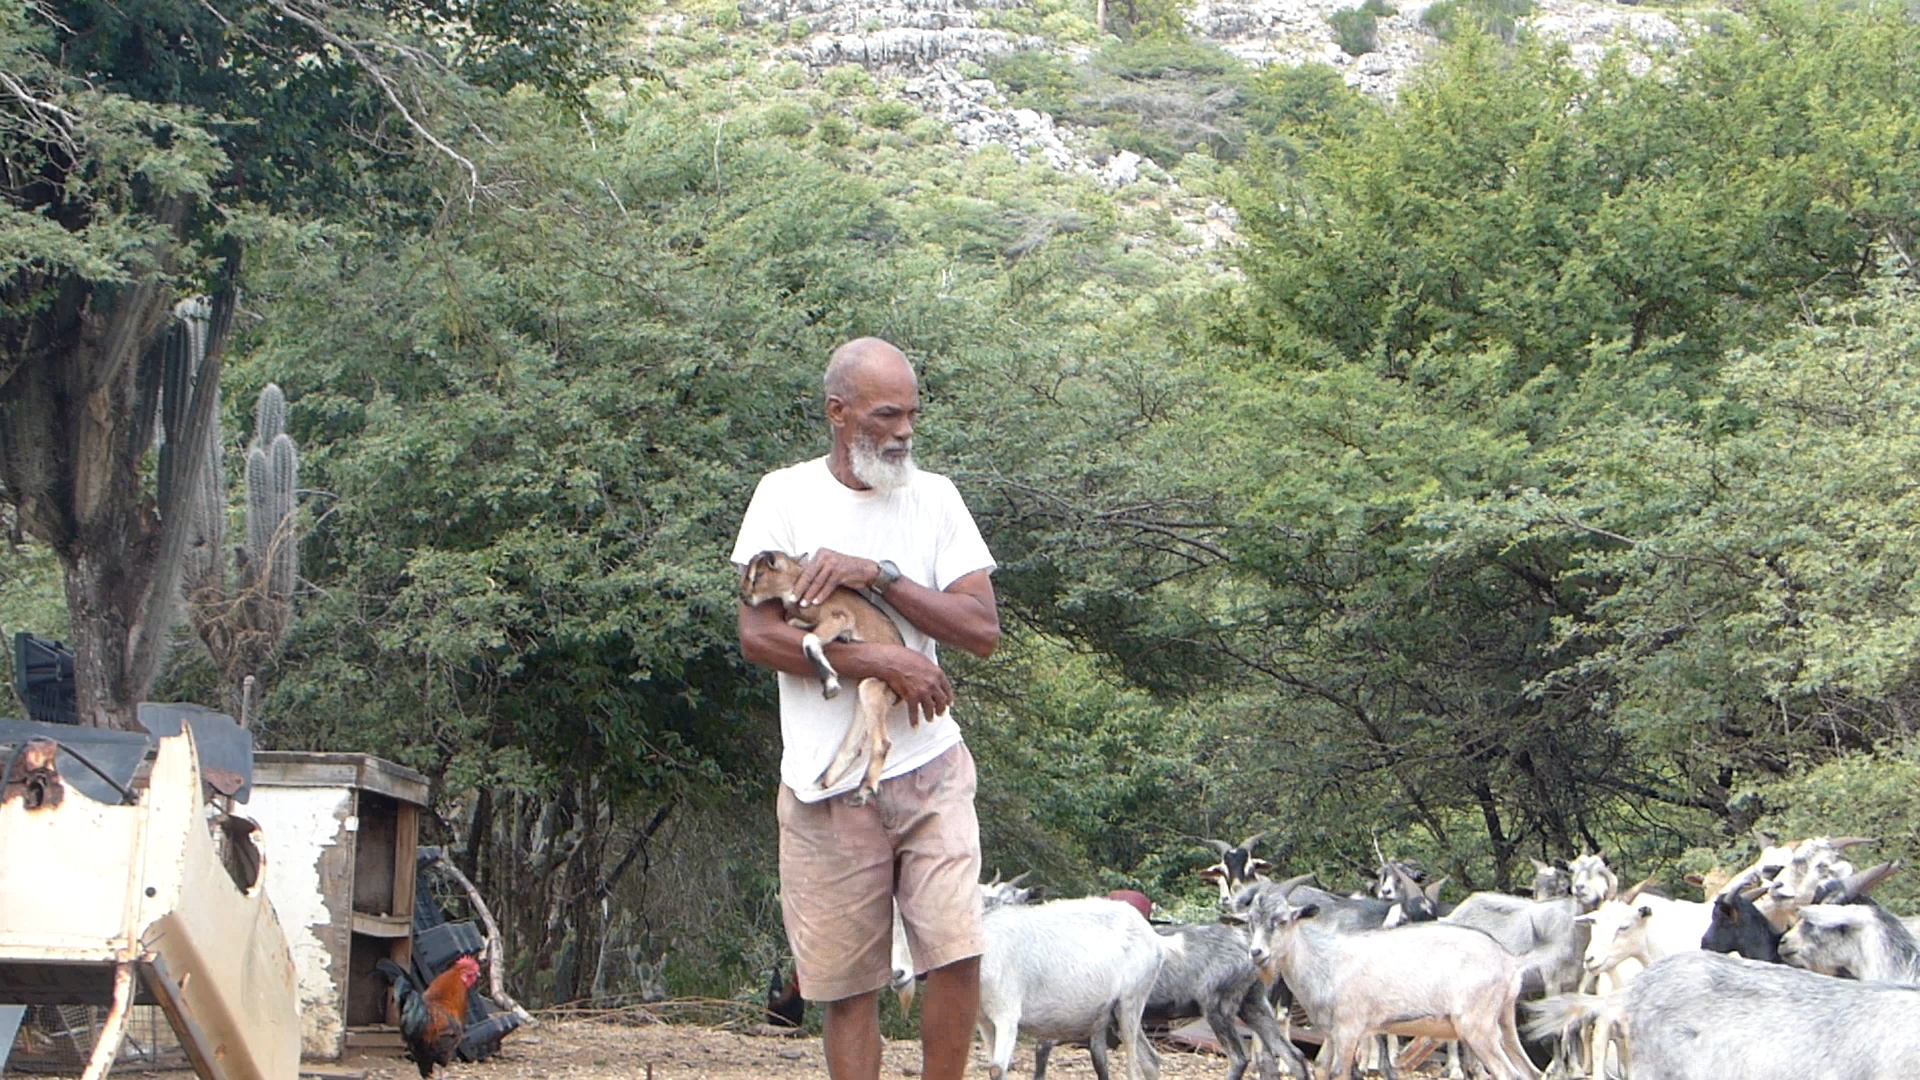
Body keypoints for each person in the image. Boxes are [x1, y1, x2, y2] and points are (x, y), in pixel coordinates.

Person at [731, 337, 1001, 1080]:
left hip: (929, 766)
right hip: (822, 787)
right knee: (849, 990)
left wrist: (879, 576)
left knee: (956, 952)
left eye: (913, 413)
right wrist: (884, 659)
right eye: (887, 414)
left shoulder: (935, 497)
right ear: (838, 413)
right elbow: (757, 637)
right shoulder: (782, 496)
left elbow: (980, 631)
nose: (905, 431)